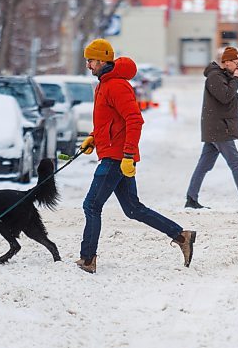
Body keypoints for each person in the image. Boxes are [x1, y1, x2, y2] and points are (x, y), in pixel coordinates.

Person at [76, 38, 196, 274]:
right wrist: (94, 137)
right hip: (112, 152)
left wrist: (128, 154)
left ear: (102, 60)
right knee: (133, 209)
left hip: (117, 157)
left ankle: (87, 259)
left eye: (90, 60)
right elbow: (110, 121)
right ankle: (181, 236)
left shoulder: (117, 86)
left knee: (91, 205)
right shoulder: (103, 83)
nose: (88, 65)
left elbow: (134, 120)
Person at [185, 47, 238, 210]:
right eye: (236, 64)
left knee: (204, 164)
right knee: (236, 161)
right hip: (219, 127)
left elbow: (235, 100)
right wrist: (237, 80)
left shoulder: (224, 77)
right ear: (226, 63)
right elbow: (225, 97)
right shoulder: (215, 77)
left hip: (217, 127)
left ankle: (191, 198)